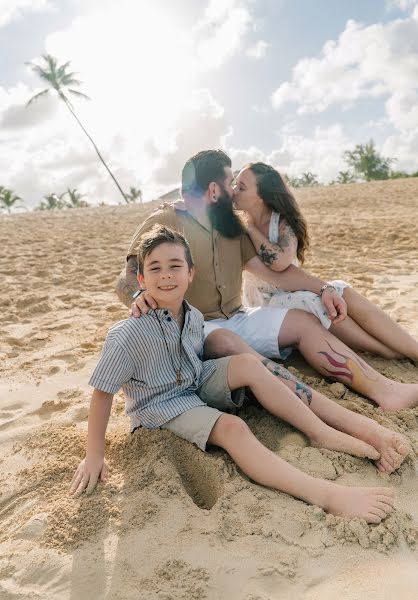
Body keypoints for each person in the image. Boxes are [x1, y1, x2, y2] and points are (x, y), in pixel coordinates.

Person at [72, 224, 406, 523]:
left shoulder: (193, 316)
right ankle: (326, 495)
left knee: (249, 363)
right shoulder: (126, 333)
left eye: (175, 266)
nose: (166, 276)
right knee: (233, 427)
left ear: (191, 274)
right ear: (141, 280)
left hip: (193, 381)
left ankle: (318, 431)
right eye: (155, 269)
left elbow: (196, 359)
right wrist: (94, 456)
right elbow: (102, 394)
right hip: (160, 406)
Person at [116, 149, 418, 411]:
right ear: (213, 190)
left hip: (238, 316)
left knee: (302, 321)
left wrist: (324, 288)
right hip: (194, 327)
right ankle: (310, 403)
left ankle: (385, 391)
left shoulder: (232, 227)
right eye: (229, 182)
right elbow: (126, 279)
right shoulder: (164, 221)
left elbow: (278, 273)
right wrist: (135, 296)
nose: (233, 189)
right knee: (225, 340)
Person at [234, 162, 418, 363]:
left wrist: (251, 228)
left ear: (261, 196)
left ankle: (412, 349)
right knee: (313, 301)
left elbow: (281, 261)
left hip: (293, 290)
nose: (233, 191)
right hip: (264, 304)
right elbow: (277, 267)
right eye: (235, 184)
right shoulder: (240, 231)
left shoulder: (282, 222)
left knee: (340, 288)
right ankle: (387, 351)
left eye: (241, 187)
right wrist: (250, 229)